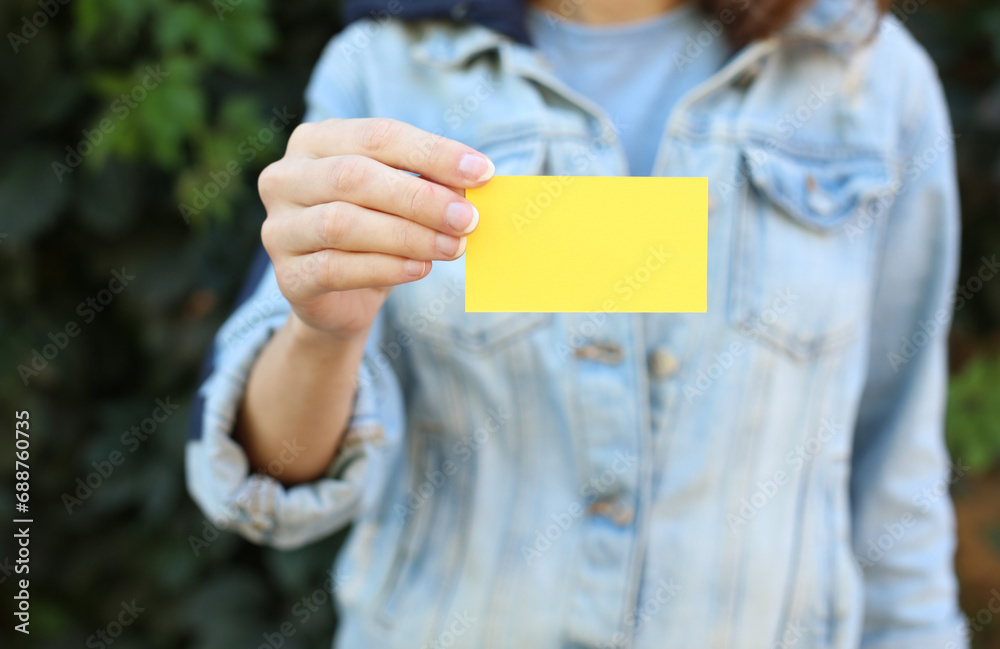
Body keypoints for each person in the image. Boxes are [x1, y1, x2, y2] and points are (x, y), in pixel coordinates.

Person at [186, 0, 969, 647]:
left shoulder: (870, 73)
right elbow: (268, 484)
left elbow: (895, 471)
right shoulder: (384, 66)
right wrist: (326, 332)